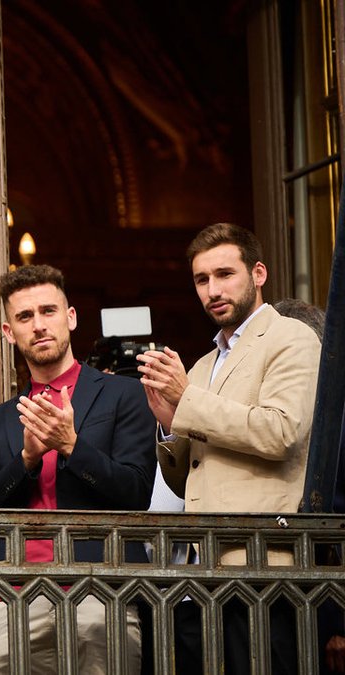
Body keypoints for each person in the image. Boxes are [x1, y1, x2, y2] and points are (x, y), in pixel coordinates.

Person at [137, 222, 321, 675]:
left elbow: (281, 432)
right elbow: (187, 479)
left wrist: (187, 401)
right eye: (202, 279)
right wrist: (169, 427)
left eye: (224, 274)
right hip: (202, 573)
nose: (213, 290)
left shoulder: (292, 337)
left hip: (263, 565)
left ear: (258, 273)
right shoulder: (203, 364)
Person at [0, 264, 155, 675]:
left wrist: (71, 445)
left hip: (101, 589)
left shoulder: (124, 395)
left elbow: (136, 492)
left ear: (70, 317)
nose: (38, 325)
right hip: (13, 596)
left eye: (48, 311)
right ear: (9, 332)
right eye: (25, 316)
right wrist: (26, 460)